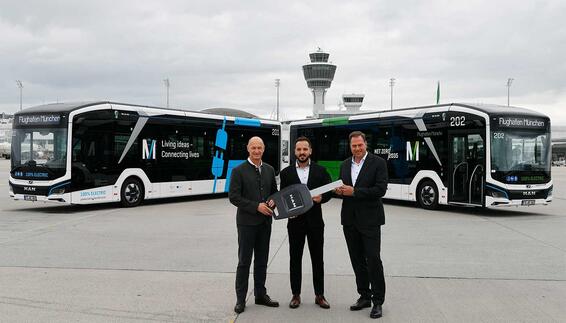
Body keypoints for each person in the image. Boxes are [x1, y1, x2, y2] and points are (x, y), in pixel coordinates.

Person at [335, 131, 388, 319]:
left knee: (373, 260)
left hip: (370, 221)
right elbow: (344, 188)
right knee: (357, 260)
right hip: (349, 221)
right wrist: (339, 191)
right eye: (353, 146)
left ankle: (378, 301)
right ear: (350, 146)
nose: (357, 148)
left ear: (366, 144)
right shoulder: (344, 164)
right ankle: (364, 295)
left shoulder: (378, 163)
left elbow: (380, 190)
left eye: (360, 145)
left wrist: (355, 192)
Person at [279, 136, 332, 309]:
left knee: (318, 259)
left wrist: (321, 198)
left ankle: (319, 295)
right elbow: (283, 197)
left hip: (316, 223)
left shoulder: (321, 171)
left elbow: (330, 193)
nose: (302, 153)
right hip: (295, 224)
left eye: (305, 149)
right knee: (295, 259)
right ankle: (296, 294)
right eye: (299, 150)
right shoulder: (286, 173)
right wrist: (288, 212)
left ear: (310, 151)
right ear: (294, 152)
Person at [228, 136, 280, 314]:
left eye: (260, 148)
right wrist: (256, 206)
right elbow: (233, 197)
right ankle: (240, 299)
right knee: (244, 261)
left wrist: (272, 202)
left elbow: (274, 193)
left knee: (262, 261)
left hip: (265, 223)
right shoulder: (238, 171)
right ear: (248, 149)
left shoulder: (269, 169)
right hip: (246, 224)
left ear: (264, 149)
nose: (257, 151)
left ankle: (260, 295)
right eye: (254, 148)